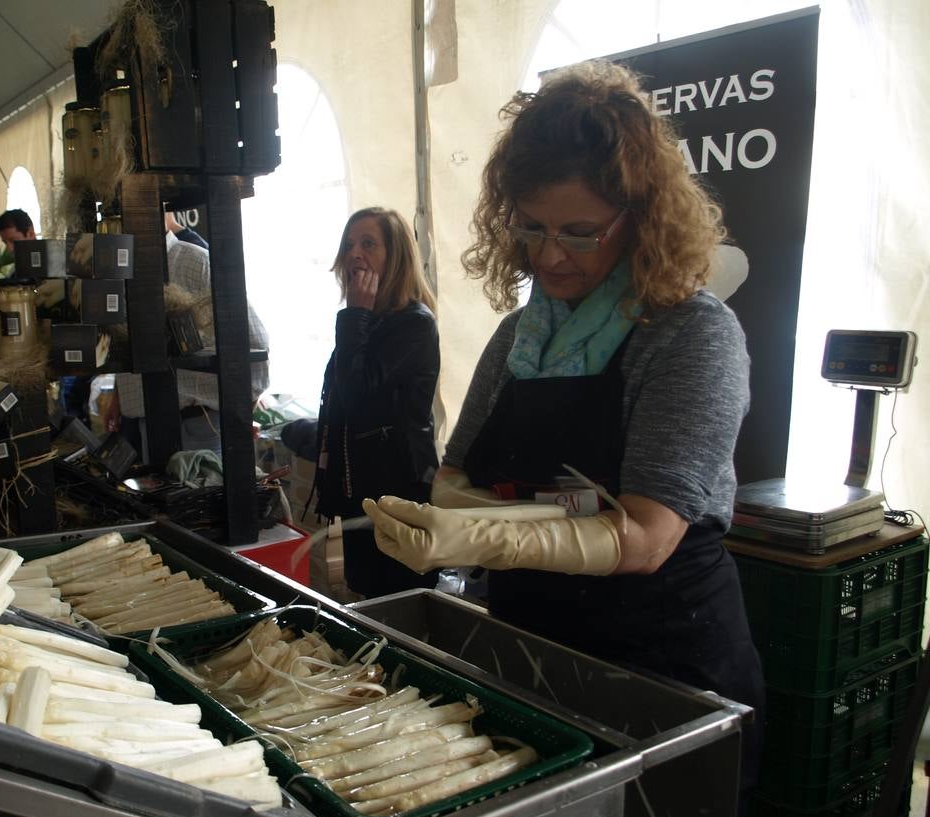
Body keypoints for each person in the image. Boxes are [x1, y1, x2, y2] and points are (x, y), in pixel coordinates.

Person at [364, 61, 764, 769]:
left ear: (640, 217)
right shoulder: (522, 335)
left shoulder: (690, 336)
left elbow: (644, 536)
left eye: (580, 232)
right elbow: (454, 478)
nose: (549, 255)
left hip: (663, 664)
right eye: (531, 227)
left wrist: (491, 535)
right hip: (533, 646)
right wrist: (458, 517)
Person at [309, 207, 440, 598]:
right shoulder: (367, 320)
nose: (354, 254)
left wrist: (355, 315)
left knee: (399, 594)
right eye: (349, 244)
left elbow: (357, 397)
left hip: (397, 490)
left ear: (395, 254)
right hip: (361, 489)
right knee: (365, 589)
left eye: (368, 244)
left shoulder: (413, 323)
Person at [104, 218, 269, 455]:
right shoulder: (122, 271)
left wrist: (239, 413)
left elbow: (256, 345)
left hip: (195, 422)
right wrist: (118, 396)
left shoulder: (196, 261)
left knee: (199, 490)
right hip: (146, 420)